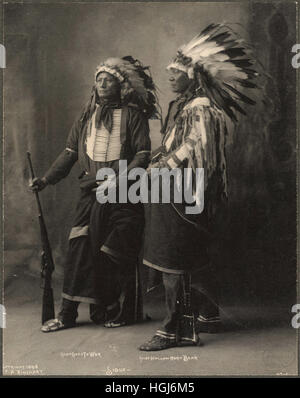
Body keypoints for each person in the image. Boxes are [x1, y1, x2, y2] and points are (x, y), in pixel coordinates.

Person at [139, 23, 261, 351]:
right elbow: (176, 144)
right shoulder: (188, 107)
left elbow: (195, 149)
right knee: (188, 255)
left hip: (184, 192)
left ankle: (172, 330)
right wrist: (157, 157)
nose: (169, 77)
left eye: (176, 73)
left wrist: (161, 167)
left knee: (173, 259)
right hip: (178, 189)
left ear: (192, 75)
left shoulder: (202, 108)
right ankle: (207, 315)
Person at [30, 56, 160, 332]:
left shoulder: (134, 116)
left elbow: (143, 155)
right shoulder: (86, 117)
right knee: (79, 249)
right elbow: (69, 154)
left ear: (121, 85)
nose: (101, 83)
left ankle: (120, 309)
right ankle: (67, 314)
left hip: (124, 194)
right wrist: (46, 180)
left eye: (108, 79)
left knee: (116, 251)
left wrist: (119, 180)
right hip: (91, 193)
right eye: (98, 79)